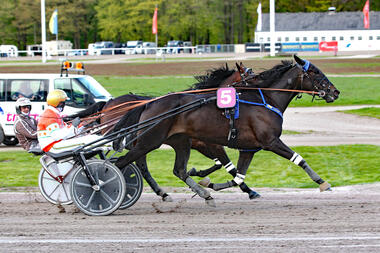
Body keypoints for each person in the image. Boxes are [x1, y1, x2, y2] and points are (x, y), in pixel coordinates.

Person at [37, 89, 104, 154]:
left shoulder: (55, 114)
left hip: (56, 143)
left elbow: (69, 132)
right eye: (63, 102)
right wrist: (73, 126)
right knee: (88, 140)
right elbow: (57, 136)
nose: (64, 104)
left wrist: (84, 125)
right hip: (52, 146)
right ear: (59, 103)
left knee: (88, 137)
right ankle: (112, 145)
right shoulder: (49, 115)